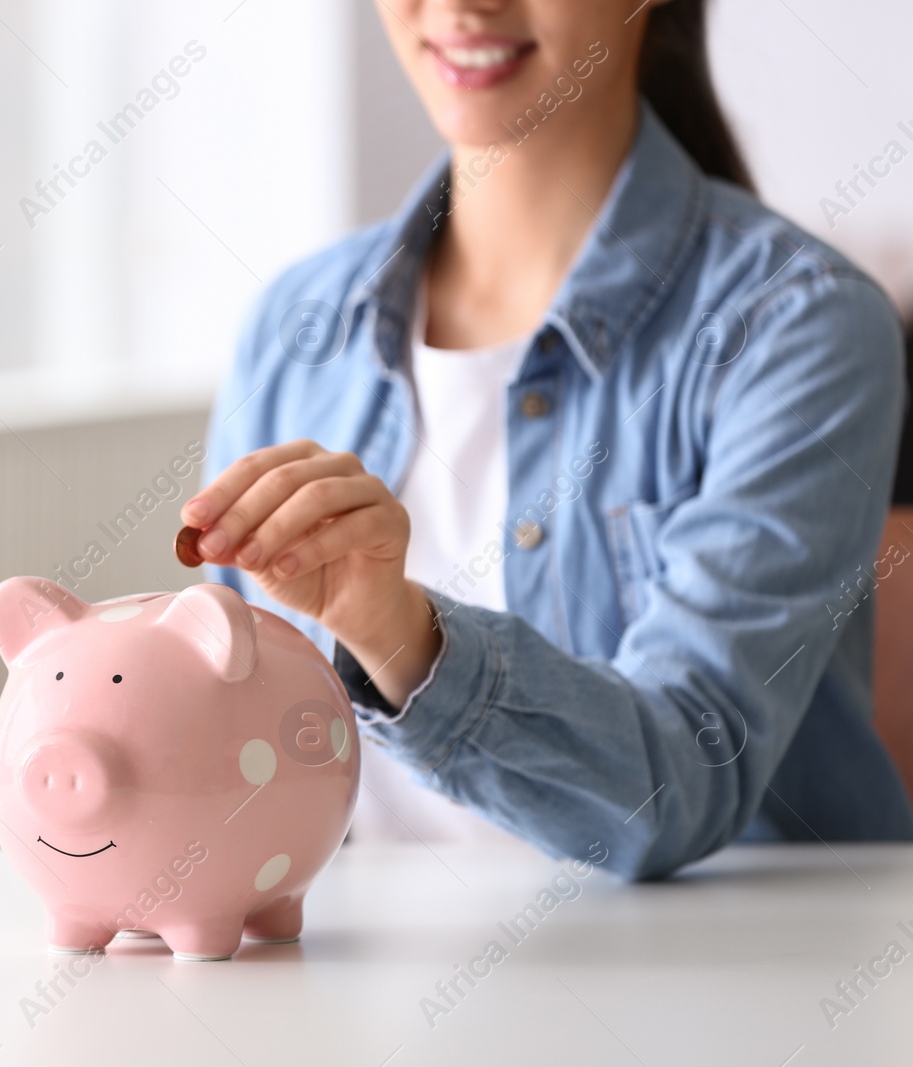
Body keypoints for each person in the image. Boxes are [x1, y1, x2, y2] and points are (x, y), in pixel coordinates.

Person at [187, 0, 913, 879]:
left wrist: (405, 636)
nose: (461, 8)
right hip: (364, 991)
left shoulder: (801, 327)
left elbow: (680, 781)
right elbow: (231, 745)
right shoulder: (294, 327)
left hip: (733, 989)